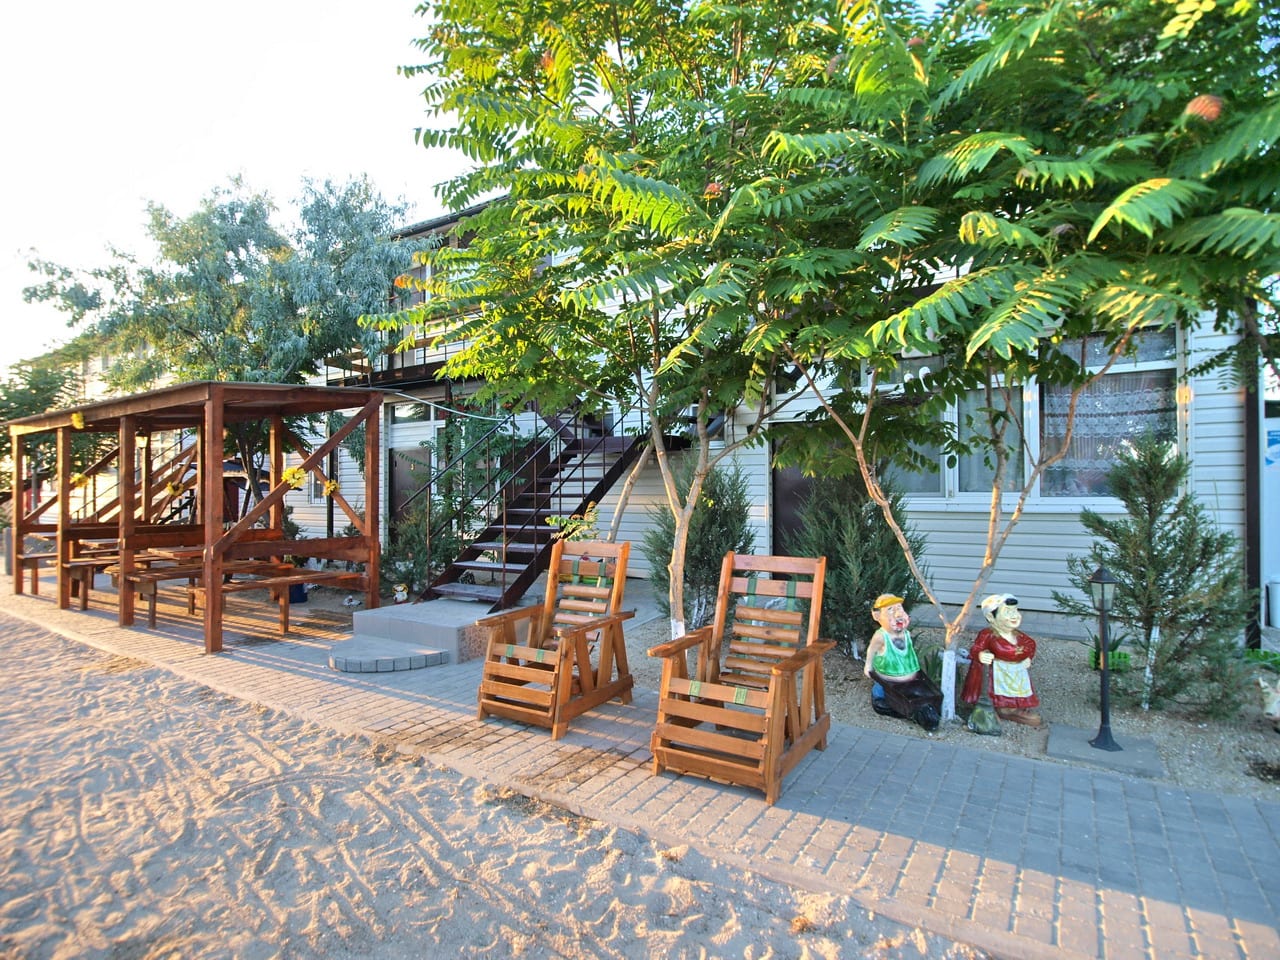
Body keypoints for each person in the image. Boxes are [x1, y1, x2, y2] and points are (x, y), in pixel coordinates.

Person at [960, 593, 1043, 727]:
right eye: (1008, 612)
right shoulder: (988, 635)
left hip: (1016, 671)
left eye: (1015, 611)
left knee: (1016, 690)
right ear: (991, 617)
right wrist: (981, 655)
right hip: (997, 672)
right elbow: (976, 648)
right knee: (995, 690)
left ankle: (1010, 709)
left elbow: (1030, 644)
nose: (1014, 615)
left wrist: (1028, 657)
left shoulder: (1019, 636)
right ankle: (992, 709)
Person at [865, 593, 941, 731]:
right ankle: (878, 697)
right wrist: (868, 666)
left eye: (899, 608)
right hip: (888, 674)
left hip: (908, 674)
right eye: (890, 610)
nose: (898, 613)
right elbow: (871, 650)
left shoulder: (905, 633)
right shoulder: (881, 636)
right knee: (882, 687)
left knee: (915, 691)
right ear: (877, 616)